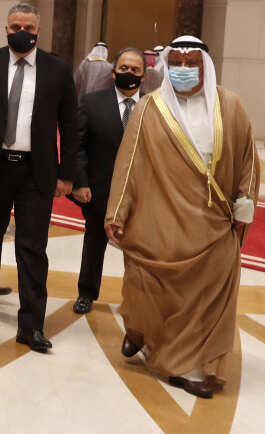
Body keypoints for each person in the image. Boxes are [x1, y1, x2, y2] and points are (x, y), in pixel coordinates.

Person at [105, 35, 260, 398]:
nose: (183, 69)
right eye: (176, 63)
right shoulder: (149, 108)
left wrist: (244, 204)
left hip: (213, 224)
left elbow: (248, 161)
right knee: (149, 286)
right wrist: (117, 212)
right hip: (158, 220)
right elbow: (128, 164)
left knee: (204, 299)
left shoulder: (230, 106)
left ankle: (191, 367)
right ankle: (140, 327)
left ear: (206, 66)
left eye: (192, 63)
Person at [0, 3, 78, 352]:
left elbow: (71, 125)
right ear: (6, 29)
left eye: (28, 27)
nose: (21, 32)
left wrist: (68, 173)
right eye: (15, 27)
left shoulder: (58, 69)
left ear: (38, 30)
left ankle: (31, 324)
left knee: (33, 247)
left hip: (35, 170)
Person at [71, 47, 148, 314]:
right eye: (124, 68)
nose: (129, 73)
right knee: (94, 243)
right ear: (113, 72)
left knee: (140, 249)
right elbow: (78, 145)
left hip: (141, 192)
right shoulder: (92, 101)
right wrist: (80, 181)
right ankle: (86, 292)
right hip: (100, 188)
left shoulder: (154, 106)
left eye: (135, 70)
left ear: (144, 75)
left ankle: (138, 298)